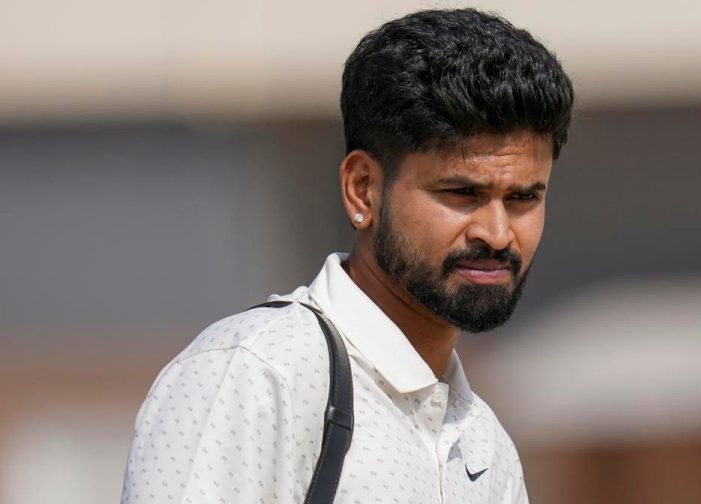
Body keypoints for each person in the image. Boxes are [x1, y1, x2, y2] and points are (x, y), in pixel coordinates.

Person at [121, 8, 573, 504]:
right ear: (363, 189)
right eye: (462, 194)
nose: (498, 233)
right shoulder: (258, 374)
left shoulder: (486, 446)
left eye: (523, 198)